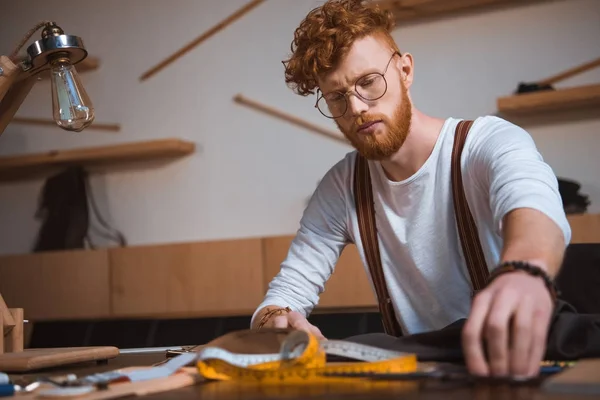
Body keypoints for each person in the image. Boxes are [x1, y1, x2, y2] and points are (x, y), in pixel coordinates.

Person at [250, 0, 571, 379]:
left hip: (519, 366)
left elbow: (535, 209)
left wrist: (525, 271)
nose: (356, 107)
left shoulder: (487, 143)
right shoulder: (340, 187)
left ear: (405, 71)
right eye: (337, 97)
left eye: (368, 82)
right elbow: (284, 294)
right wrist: (276, 320)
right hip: (422, 378)